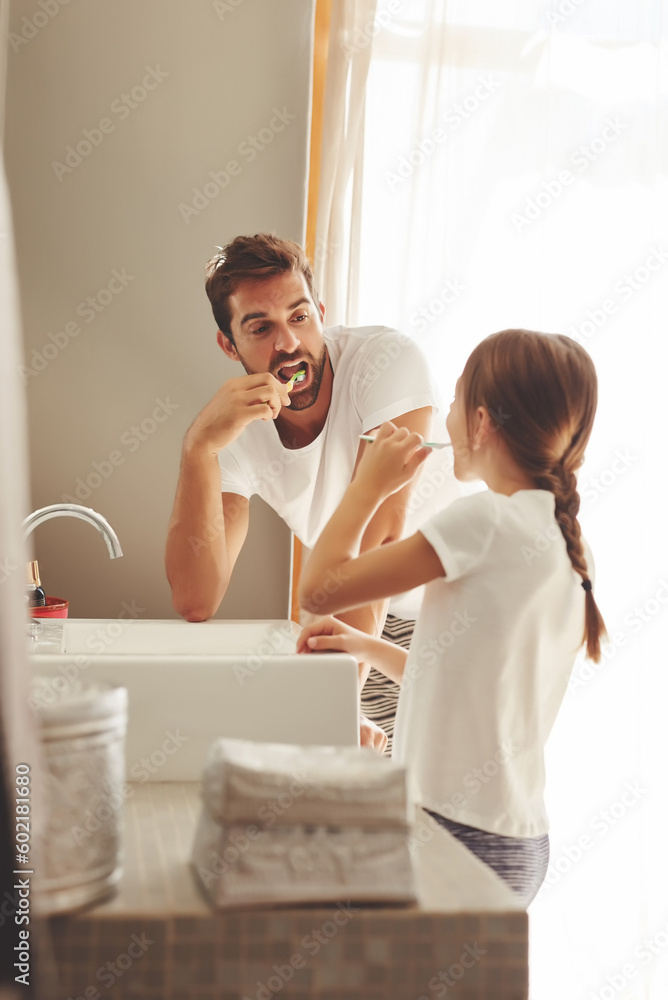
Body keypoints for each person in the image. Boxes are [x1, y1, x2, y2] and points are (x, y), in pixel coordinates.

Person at [296, 328, 606, 905]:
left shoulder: (481, 522)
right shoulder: (564, 542)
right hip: (517, 841)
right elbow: (470, 681)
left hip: (455, 836)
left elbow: (317, 590)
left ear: (483, 422)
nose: (445, 420)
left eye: (456, 402)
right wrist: (366, 647)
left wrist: (369, 484)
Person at [165, 233, 459, 751]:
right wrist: (198, 449)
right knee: (356, 802)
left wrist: (334, 702)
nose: (288, 344)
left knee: (446, 797)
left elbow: (380, 536)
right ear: (228, 344)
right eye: (261, 328)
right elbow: (196, 597)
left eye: (300, 317)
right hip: (359, 618)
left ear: (321, 312)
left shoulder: (385, 362)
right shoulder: (237, 430)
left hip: (452, 611)